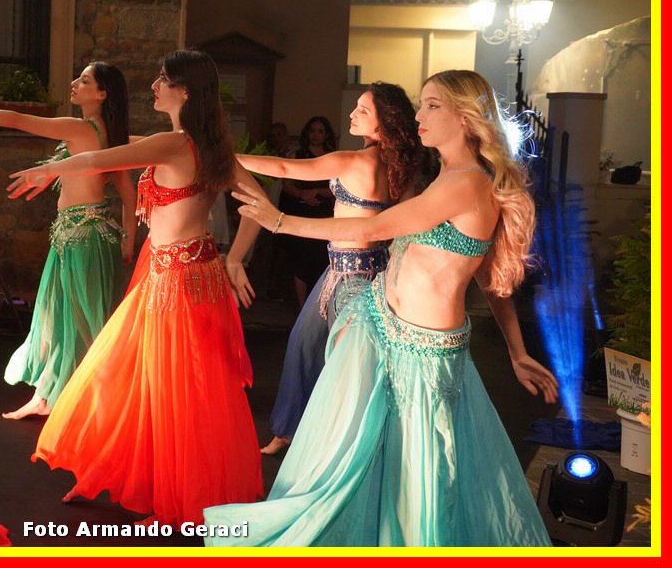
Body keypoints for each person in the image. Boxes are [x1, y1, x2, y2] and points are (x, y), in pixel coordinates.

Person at [205, 70, 558, 546]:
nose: (419, 115)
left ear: (465, 116)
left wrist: (281, 220)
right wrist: (516, 350)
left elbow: (375, 229)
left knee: (415, 470)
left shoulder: (468, 184)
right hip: (383, 326)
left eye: (432, 105)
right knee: (360, 456)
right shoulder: (447, 177)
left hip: (424, 353)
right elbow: (488, 280)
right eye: (421, 104)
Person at [8, 50, 264, 527]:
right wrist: (232, 259)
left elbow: (100, 159)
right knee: (144, 378)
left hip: (177, 283)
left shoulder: (174, 143)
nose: (153, 86)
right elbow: (258, 204)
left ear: (184, 91)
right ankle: (129, 474)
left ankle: (173, 495)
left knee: (165, 386)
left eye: (163, 79)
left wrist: (51, 170)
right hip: (181, 274)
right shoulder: (207, 146)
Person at [0, 62, 136, 420]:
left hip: (82, 238)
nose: (74, 83)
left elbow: (18, 119)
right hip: (84, 235)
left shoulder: (80, 128)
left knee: (76, 322)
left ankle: (83, 401)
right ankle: (53, 396)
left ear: (102, 94)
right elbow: (128, 192)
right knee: (65, 319)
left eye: (84, 80)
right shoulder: (109, 133)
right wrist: (127, 239)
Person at [228, 83, 429, 455]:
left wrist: (224, 157)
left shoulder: (356, 161)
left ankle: (333, 444)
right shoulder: (398, 167)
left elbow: (286, 167)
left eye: (363, 110)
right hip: (351, 271)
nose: (352, 114)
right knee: (305, 345)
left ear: (384, 122)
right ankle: (289, 431)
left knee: (342, 362)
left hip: (354, 279)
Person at [277, 116, 337, 307]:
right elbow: (287, 184)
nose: (316, 135)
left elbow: (338, 188)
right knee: (301, 258)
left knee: (322, 258)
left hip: (324, 212)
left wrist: (318, 191)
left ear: (326, 134)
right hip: (302, 211)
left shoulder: (332, 158)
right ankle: (302, 305)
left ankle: (320, 304)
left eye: (320, 131)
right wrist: (302, 194)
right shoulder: (298, 155)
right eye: (312, 131)